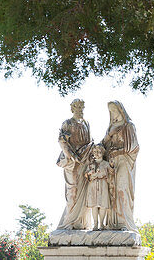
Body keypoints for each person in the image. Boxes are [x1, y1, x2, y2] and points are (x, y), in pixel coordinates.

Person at [101, 100, 139, 231]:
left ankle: (125, 223)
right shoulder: (110, 127)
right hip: (111, 162)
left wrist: (118, 151)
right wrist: (109, 135)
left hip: (124, 161)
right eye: (110, 110)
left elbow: (134, 147)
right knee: (111, 192)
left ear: (121, 110)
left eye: (115, 109)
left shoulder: (129, 126)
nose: (113, 113)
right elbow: (103, 145)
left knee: (122, 190)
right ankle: (113, 223)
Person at [55, 99, 92, 230]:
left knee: (85, 191)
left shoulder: (86, 123)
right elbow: (62, 141)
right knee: (72, 191)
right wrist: (71, 155)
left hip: (85, 161)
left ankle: (81, 222)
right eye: (77, 108)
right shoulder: (68, 123)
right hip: (72, 162)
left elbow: (89, 142)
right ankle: (69, 221)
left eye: (82, 107)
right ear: (72, 109)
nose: (80, 110)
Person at [83, 145, 113, 229]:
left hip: (103, 184)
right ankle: (95, 224)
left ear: (102, 153)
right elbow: (86, 174)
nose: (97, 154)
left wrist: (111, 165)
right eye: (95, 152)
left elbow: (112, 172)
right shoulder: (91, 164)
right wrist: (89, 173)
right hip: (92, 185)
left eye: (99, 152)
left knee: (103, 204)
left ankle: (101, 224)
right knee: (94, 205)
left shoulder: (106, 164)